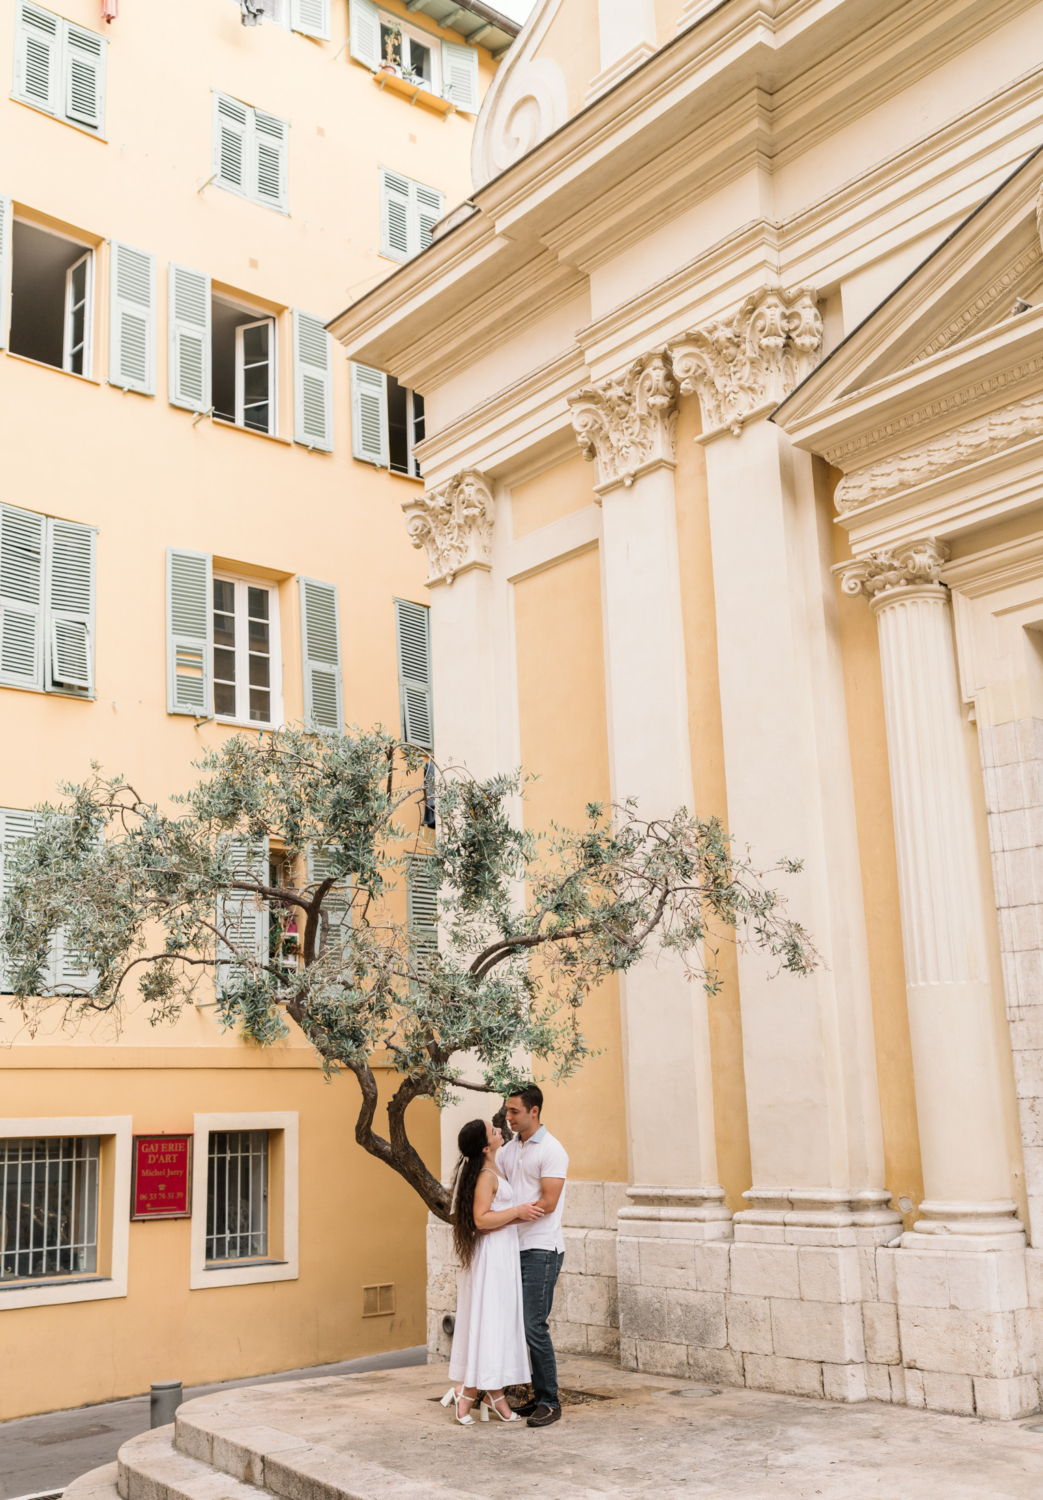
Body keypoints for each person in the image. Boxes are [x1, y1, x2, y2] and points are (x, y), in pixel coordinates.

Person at [441, 1117, 544, 1426]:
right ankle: (473, 1393)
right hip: (492, 1256)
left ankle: (488, 1393)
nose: (499, 1129)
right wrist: (518, 1211)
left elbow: (496, 1217)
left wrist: (521, 1217)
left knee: (496, 1321)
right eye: (493, 1130)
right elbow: (482, 1221)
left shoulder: (493, 1167)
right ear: (486, 1146)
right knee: (490, 1320)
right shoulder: (486, 1174)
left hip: (503, 1251)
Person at [499, 1085, 569, 1429]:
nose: (508, 1117)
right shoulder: (508, 1151)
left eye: (514, 1111)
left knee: (534, 1326)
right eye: (507, 1111)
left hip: (541, 1248)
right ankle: (531, 1393)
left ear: (534, 1111)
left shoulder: (553, 1149)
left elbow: (548, 1203)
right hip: (511, 1248)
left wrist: (505, 1217)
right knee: (515, 1326)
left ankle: (550, 1402)